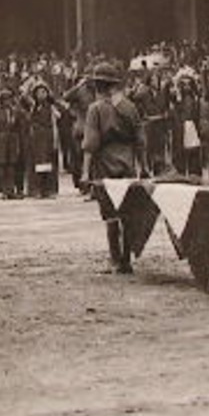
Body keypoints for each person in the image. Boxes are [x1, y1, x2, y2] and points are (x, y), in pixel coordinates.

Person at [81, 62, 144, 273]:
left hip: (105, 164)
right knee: (128, 212)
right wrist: (142, 166)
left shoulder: (95, 109)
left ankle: (115, 259)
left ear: (97, 85)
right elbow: (140, 140)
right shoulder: (129, 107)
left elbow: (90, 144)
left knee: (110, 213)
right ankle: (127, 260)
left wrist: (84, 172)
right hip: (127, 164)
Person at [24, 80, 60, 198]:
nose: (41, 94)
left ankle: (48, 190)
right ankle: (36, 189)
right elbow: (23, 96)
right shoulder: (33, 106)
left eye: (44, 92)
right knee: (37, 164)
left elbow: (57, 118)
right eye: (39, 92)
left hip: (48, 137)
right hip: (36, 139)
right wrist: (29, 84)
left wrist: (55, 139)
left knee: (48, 164)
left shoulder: (51, 107)